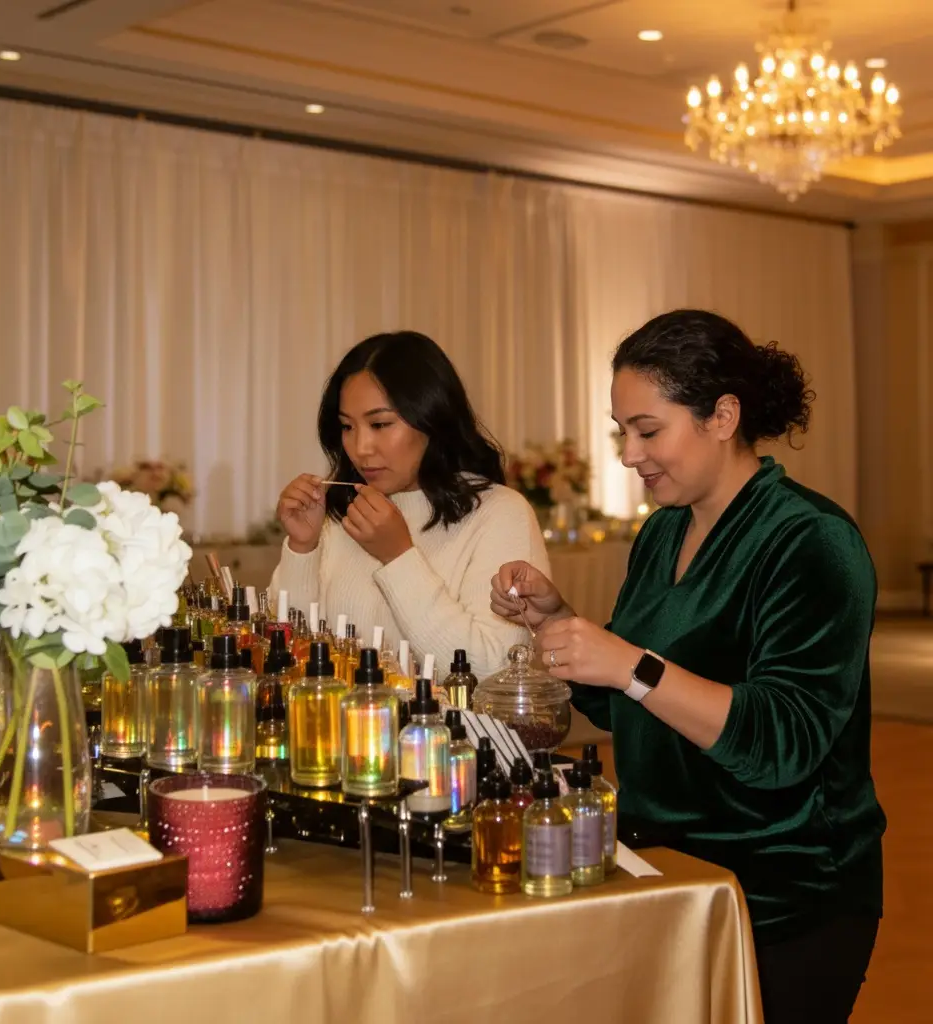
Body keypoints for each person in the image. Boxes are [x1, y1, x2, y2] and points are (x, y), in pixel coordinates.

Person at [492, 310, 885, 1024]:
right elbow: (629, 699)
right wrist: (557, 621)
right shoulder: (664, 531)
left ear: (723, 417)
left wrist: (630, 664)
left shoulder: (811, 541)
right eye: (622, 432)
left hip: (785, 892)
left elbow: (783, 743)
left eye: (648, 431)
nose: (629, 454)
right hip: (669, 871)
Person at [271, 330, 550, 679]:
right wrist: (303, 548)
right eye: (347, 427)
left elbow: (495, 674)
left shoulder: (499, 513)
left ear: (432, 418)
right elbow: (285, 656)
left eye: (380, 424)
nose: (360, 448)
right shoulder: (344, 511)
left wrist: (399, 557)